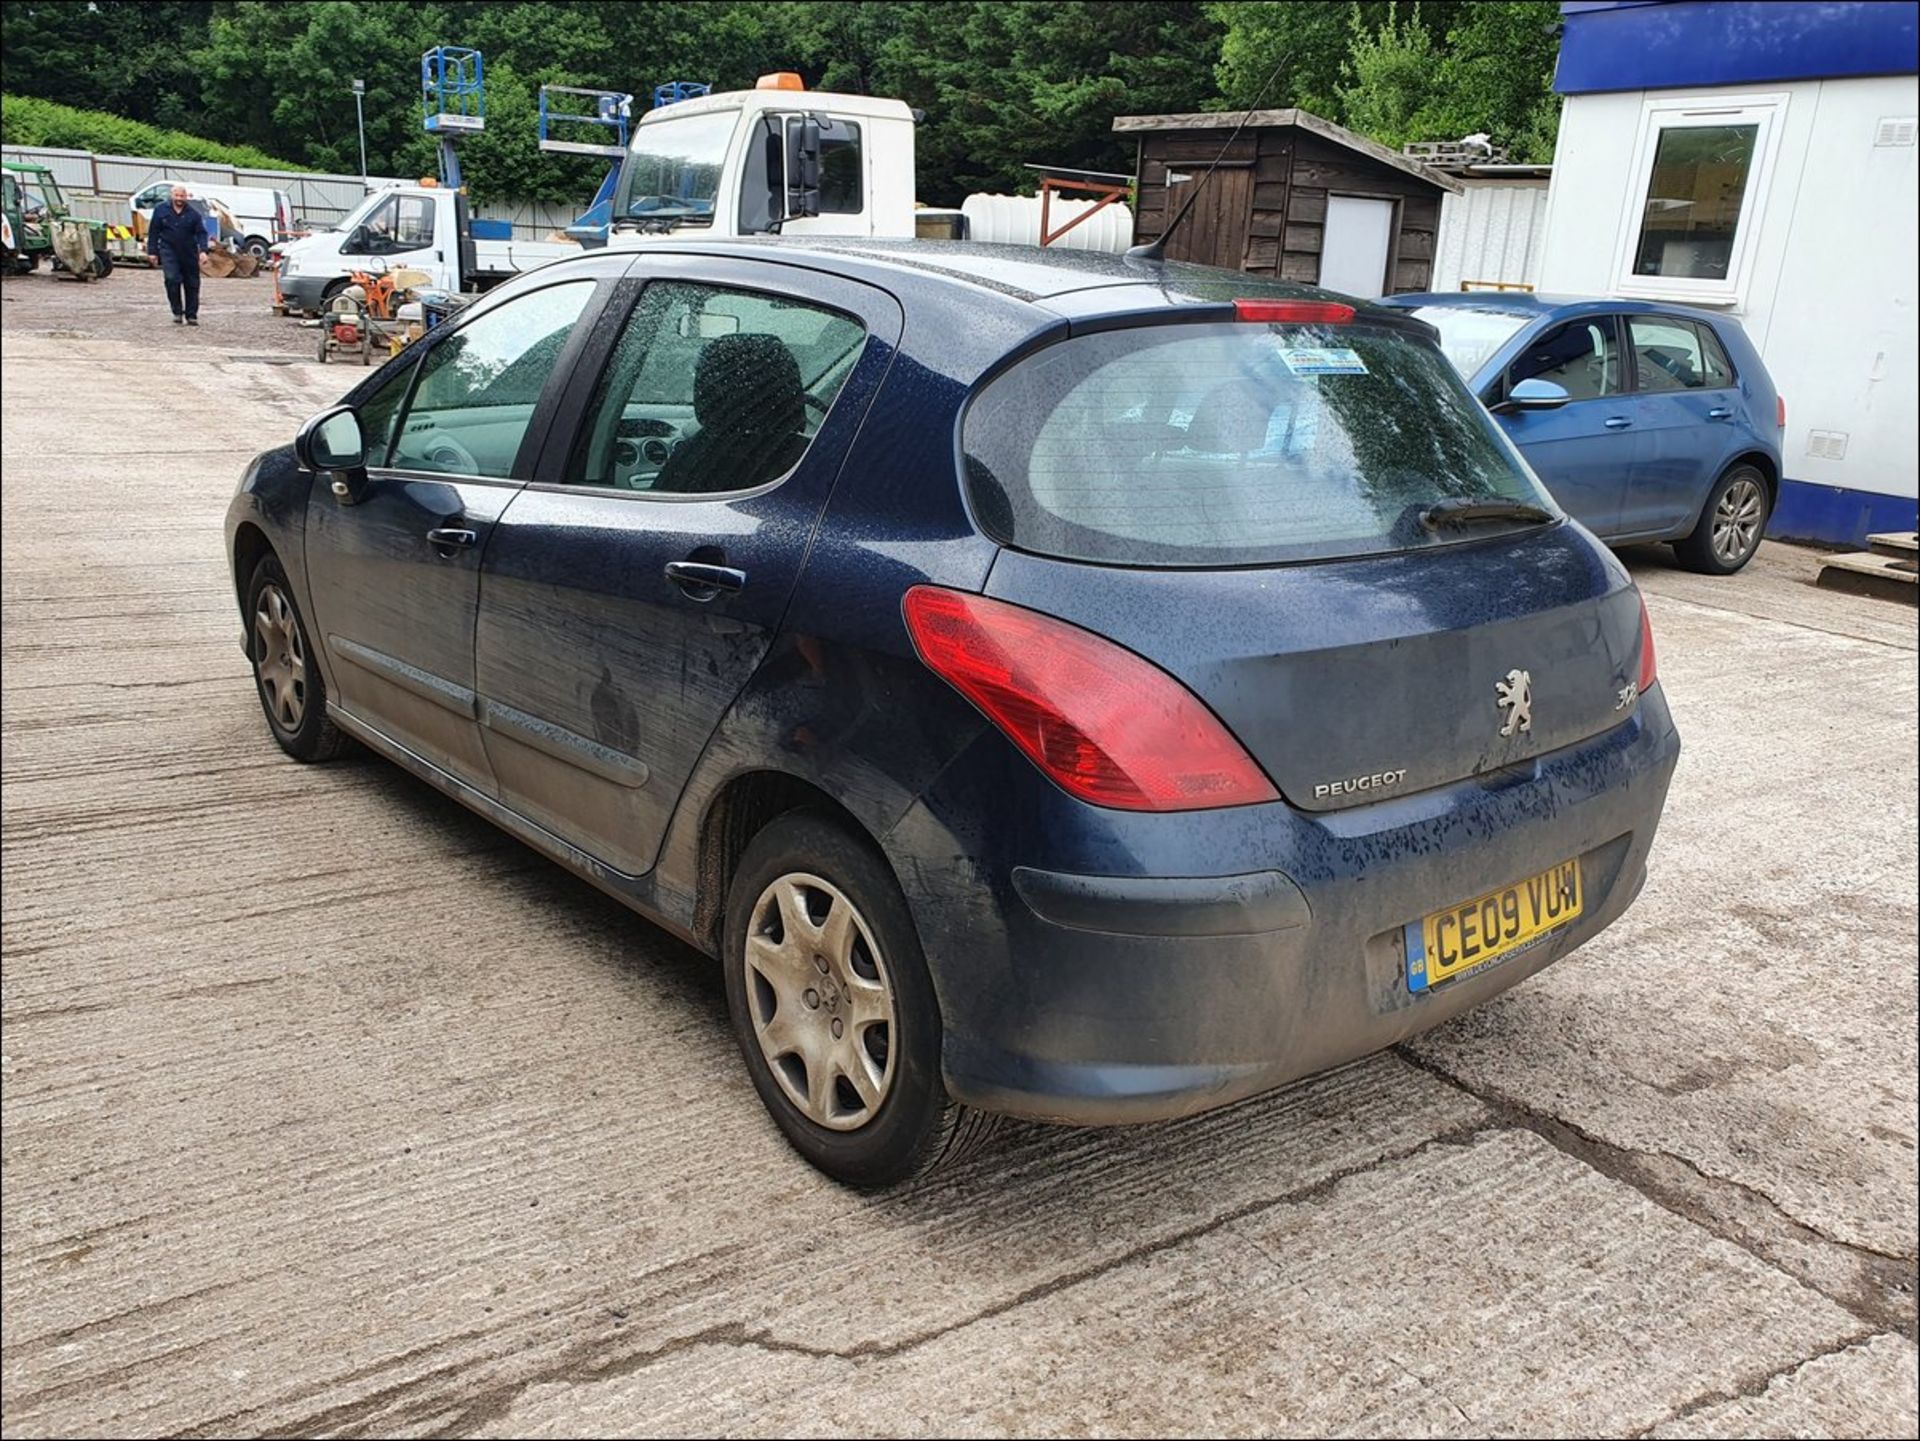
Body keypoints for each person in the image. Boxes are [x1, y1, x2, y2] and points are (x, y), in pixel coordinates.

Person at [145, 184, 208, 326]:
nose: (179, 199)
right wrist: (152, 252)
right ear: (171, 196)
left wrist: (203, 250)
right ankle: (177, 312)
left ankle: (191, 315)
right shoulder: (161, 210)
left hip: (189, 252)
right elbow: (153, 231)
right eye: (177, 195)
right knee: (172, 279)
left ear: (186, 197)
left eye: (182, 196)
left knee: (192, 284)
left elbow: (201, 233)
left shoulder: (194, 214)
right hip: (168, 250)